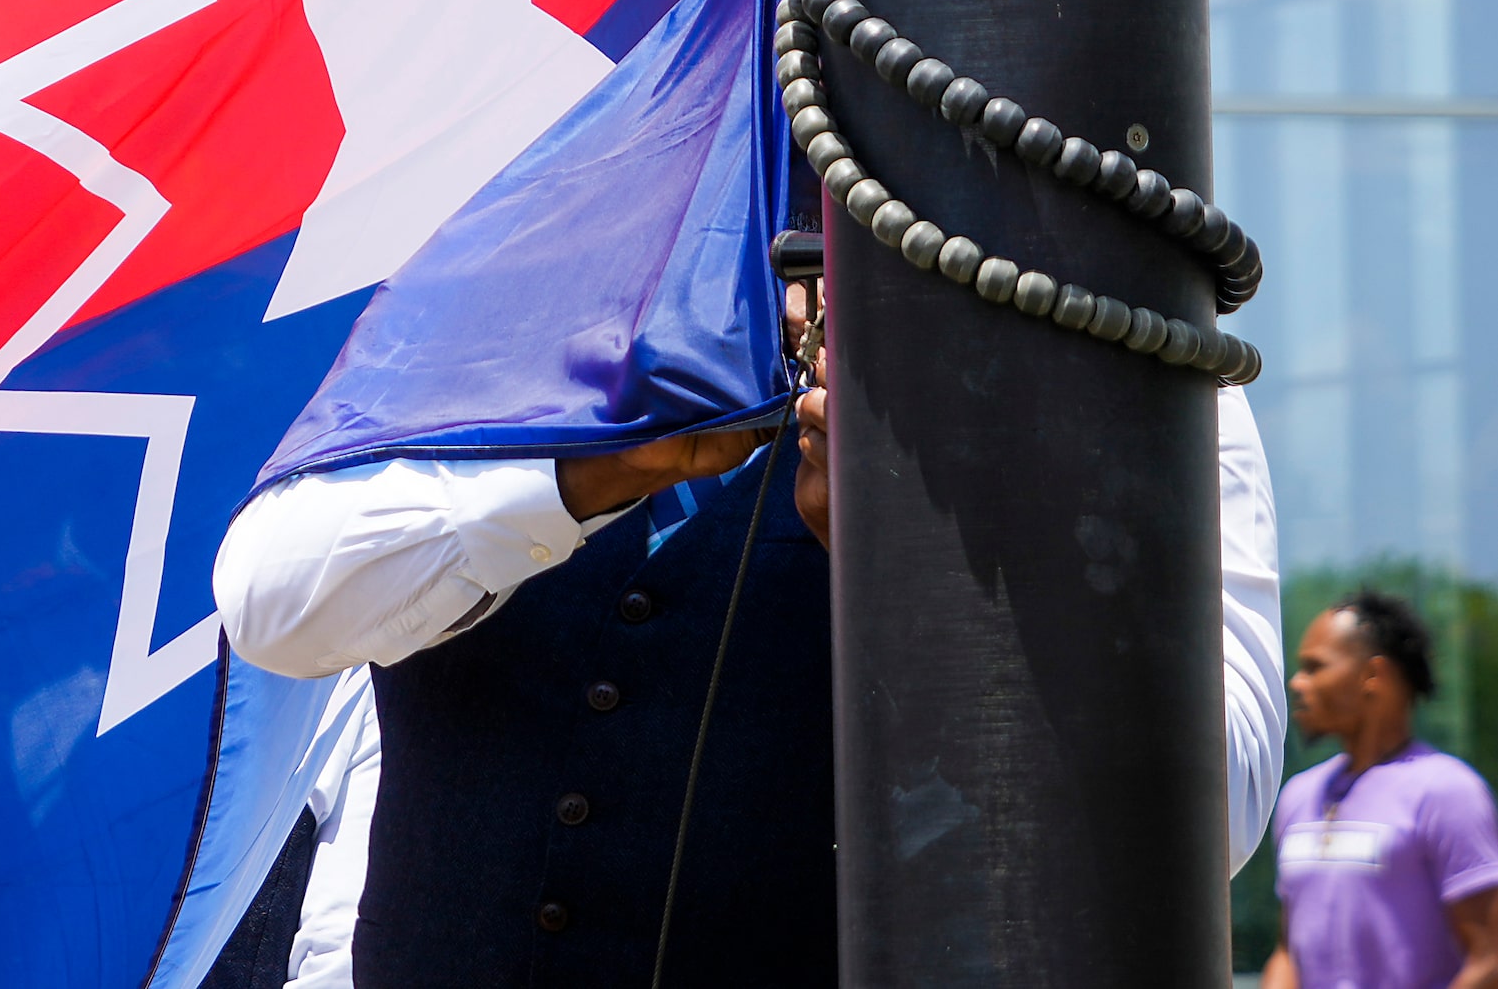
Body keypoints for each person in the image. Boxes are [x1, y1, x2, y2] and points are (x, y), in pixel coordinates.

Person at [212, 303, 1284, 987]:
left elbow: (1207, 816)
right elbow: (274, 603)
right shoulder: (498, 277)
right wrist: (585, 472)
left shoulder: (1107, 313)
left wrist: (931, 567)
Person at [1265, 591, 1498, 989]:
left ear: (1373, 675)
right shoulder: (1297, 796)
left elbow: (1489, 960)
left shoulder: (1446, 792)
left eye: (1315, 667)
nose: (1297, 682)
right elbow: (1288, 951)